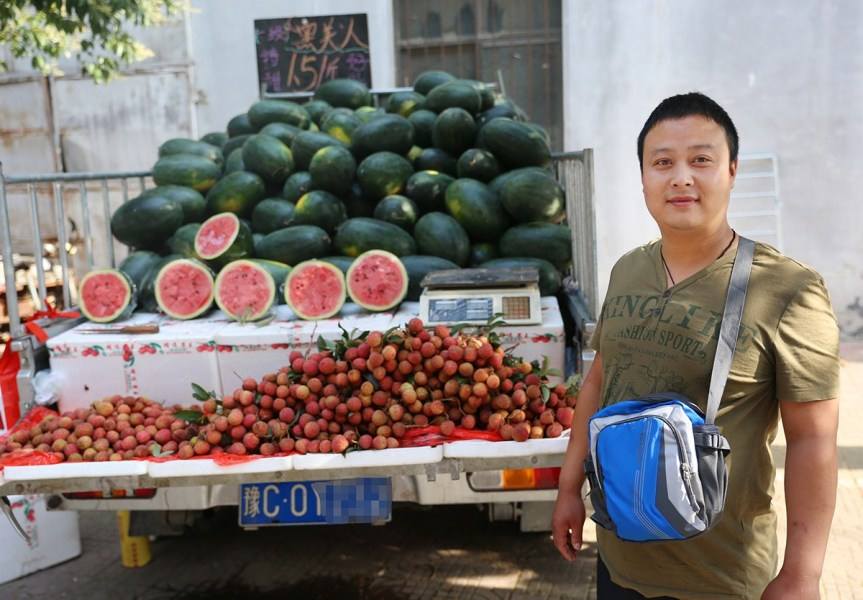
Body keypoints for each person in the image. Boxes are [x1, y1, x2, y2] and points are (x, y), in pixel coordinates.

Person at [551, 92, 840, 599]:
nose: (681, 177)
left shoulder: (789, 289)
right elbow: (598, 382)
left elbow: (813, 439)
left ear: (731, 171)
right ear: (644, 178)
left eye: (701, 160)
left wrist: (802, 573)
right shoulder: (627, 270)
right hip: (620, 555)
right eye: (662, 162)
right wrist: (568, 488)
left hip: (720, 576)